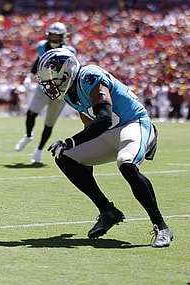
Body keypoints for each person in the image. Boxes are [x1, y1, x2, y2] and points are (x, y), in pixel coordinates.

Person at [37, 48, 173, 247]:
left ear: (67, 70)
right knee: (64, 156)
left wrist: (71, 140)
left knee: (126, 164)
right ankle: (107, 211)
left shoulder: (90, 76)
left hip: (133, 124)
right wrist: (79, 154)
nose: (50, 82)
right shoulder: (69, 93)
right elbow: (89, 125)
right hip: (108, 133)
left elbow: (103, 118)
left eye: (53, 75)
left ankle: (161, 227)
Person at [15, 22, 76, 163]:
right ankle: (28, 135)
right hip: (44, 86)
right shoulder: (42, 46)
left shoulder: (69, 51)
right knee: (31, 113)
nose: (54, 39)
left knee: (49, 123)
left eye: (57, 36)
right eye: (52, 36)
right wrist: (29, 76)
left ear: (63, 37)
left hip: (61, 90)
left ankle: (39, 150)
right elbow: (39, 61)